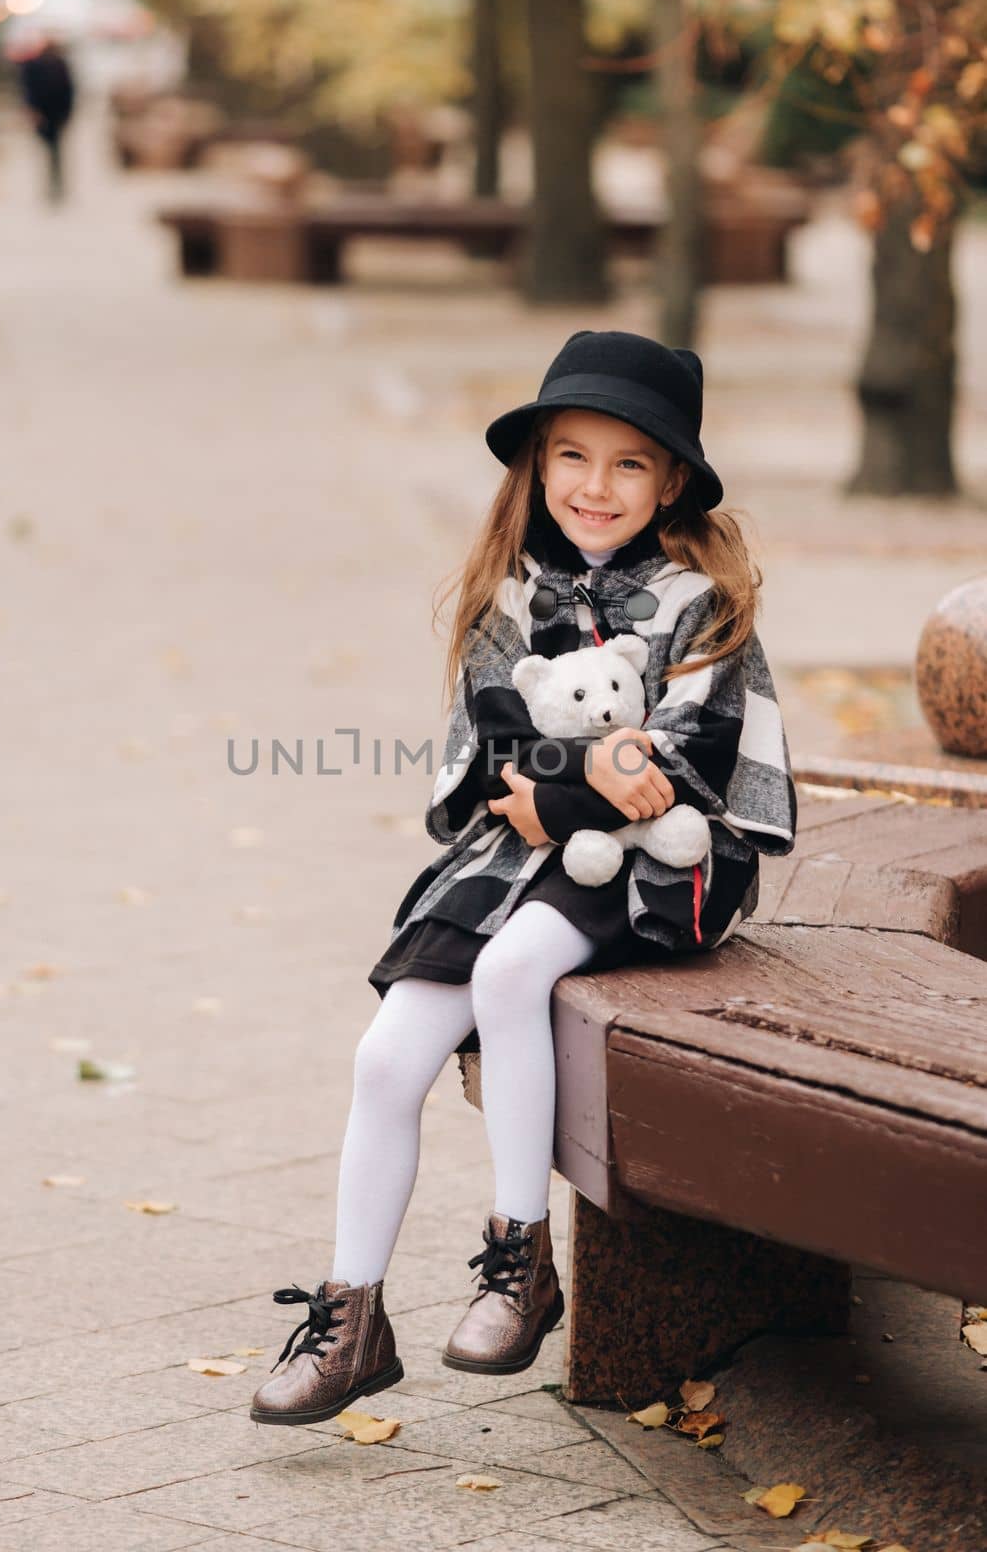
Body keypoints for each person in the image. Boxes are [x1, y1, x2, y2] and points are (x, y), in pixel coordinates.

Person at [250, 329, 798, 1426]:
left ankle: (521, 1257)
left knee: (511, 974)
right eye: (571, 457)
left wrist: (561, 790)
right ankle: (351, 1314)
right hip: (511, 854)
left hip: (657, 866)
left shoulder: (700, 601)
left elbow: (680, 766)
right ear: (538, 466)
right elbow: (478, 757)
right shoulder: (508, 599)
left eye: (628, 462)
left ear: (672, 479)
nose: (594, 487)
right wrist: (581, 769)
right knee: (385, 1055)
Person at [18, 36, 75, 203]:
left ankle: (55, 184)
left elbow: (68, 91)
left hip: (53, 113)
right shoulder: (39, 65)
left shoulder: (58, 65)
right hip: (49, 113)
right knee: (53, 150)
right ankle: (54, 183)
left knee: (53, 150)